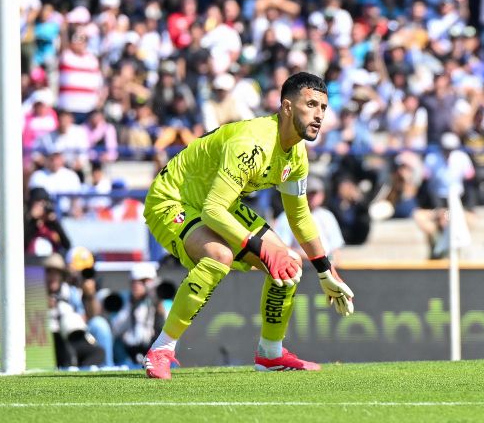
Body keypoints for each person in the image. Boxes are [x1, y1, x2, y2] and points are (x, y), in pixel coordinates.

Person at [141, 72, 355, 379]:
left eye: (323, 107)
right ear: (287, 107)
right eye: (311, 104)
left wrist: (325, 270)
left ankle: (271, 353)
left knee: (290, 266)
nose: (319, 115)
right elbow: (214, 210)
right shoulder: (251, 142)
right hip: (172, 199)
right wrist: (263, 251)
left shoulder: (296, 156)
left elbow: (300, 217)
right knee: (219, 256)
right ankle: (161, 348)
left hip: (215, 200)